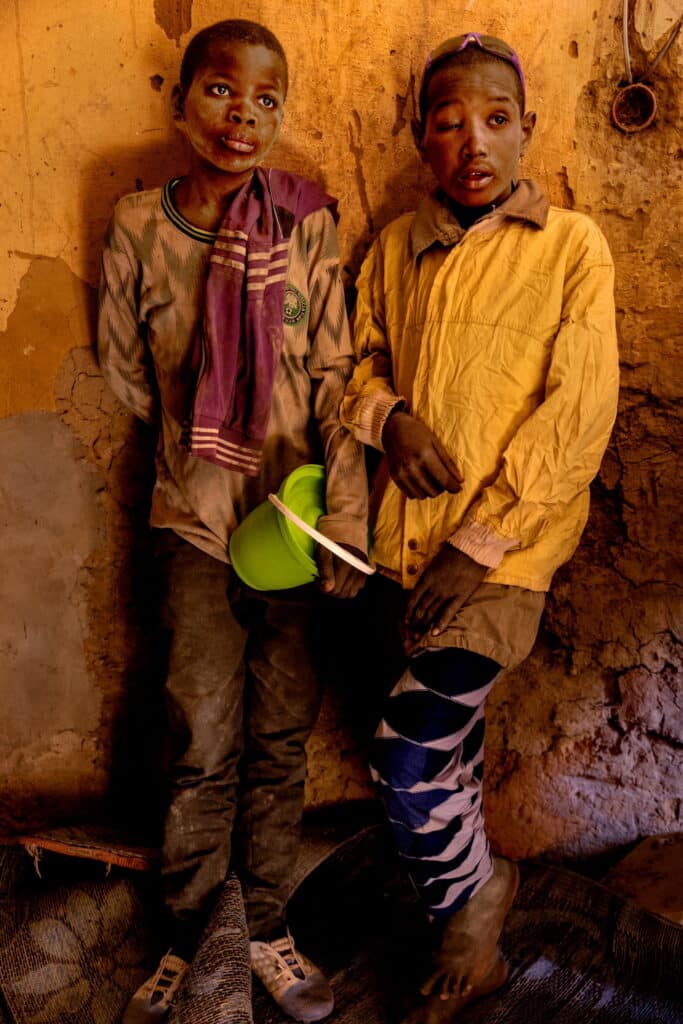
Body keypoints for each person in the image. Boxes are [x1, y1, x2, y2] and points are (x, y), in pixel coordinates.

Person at [341, 32, 619, 1023]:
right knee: (440, 750)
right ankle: (455, 895)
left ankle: (476, 905)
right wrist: (390, 418)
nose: (473, 140)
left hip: (499, 558)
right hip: (395, 550)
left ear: (526, 131)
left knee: (405, 755)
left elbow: (575, 415)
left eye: (495, 119)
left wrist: (478, 544)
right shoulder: (394, 249)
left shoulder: (570, 247)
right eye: (449, 120)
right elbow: (355, 365)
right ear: (421, 138)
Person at [97, 19, 368, 1024]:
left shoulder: (308, 223)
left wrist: (338, 494)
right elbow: (125, 369)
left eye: (265, 99)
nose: (241, 117)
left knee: (279, 735)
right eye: (220, 91)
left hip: (294, 522)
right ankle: (191, 933)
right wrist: (201, 443)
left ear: (282, 115)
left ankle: (262, 928)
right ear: (181, 102)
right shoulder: (138, 224)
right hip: (195, 521)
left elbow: (336, 369)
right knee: (199, 731)